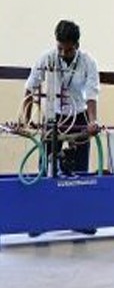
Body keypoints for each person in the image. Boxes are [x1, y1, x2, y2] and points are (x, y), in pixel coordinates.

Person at [24, 20, 101, 175]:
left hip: (79, 118)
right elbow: (30, 88)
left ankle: (77, 198)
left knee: (80, 171)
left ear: (77, 45)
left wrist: (93, 122)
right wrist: (26, 121)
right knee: (46, 170)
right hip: (54, 117)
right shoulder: (47, 58)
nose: (63, 54)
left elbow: (91, 95)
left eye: (69, 50)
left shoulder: (88, 62)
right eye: (60, 48)